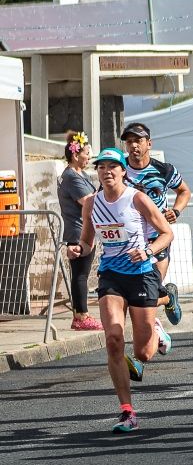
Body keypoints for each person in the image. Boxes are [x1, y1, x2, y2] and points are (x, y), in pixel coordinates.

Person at [68, 147, 174, 432]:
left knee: (143, 354)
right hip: (111, 274)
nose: (107, 171)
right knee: (114, 337)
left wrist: (148, 251)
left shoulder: (136, 199)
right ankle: (127, 411)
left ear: (123, 171)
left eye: (112, 166)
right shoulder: (91, 203)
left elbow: (167, 233)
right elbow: (88, 242)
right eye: (101, 167)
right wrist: (79, 249)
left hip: (141, 275)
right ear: (97, 172)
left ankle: (157, 328)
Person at [121, 121, 189, 328]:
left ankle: (165, 296)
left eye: (138, 141)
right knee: (137, 291)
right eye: (129, 142)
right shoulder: (119, 169)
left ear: (148, 143)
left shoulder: (164, 170)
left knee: (151, 287)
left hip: (158, 236)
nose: (133, 146)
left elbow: (184, 191)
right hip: (131, 238)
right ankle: (167, 297)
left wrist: (175, 211)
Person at [59, 132, 102, 331]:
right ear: (76, 155)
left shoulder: (80, 174)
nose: (89, 157)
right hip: (78, 231)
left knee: (81, 273)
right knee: (80, 274)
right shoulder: (70, 177)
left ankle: (80, 313)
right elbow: (87, 202)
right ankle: (81, 316)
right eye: (86, 153)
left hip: (85, 228)